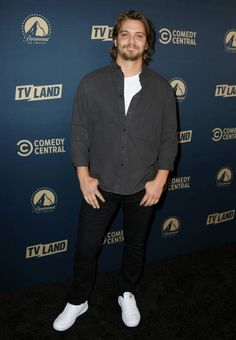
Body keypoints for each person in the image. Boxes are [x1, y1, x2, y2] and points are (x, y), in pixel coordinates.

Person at [53, 9, 178, 331]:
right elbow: (80, 131)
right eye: (125, 34)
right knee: (85, 248)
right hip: (100, 185)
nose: (132, 40)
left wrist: (160, 180)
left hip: (144, 186)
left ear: (147, 42)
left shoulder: (163, 89)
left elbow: (169, 139)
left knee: (136, 245)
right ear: (115, 39)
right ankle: (78, 300)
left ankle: (127, 292)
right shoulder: (91, 83)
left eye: (139, 35)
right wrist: (83, 175)